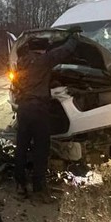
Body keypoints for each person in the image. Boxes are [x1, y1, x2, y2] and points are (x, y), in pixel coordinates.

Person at [13, 32, 79, 202]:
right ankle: (39, 191)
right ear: (42, 49)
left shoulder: (21, 63)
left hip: (23, 109)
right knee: (40, 150)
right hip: (38, 110)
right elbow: (65, 51)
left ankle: (20, 186)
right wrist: (74, 37)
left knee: (21, 147)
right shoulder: (43, 60)